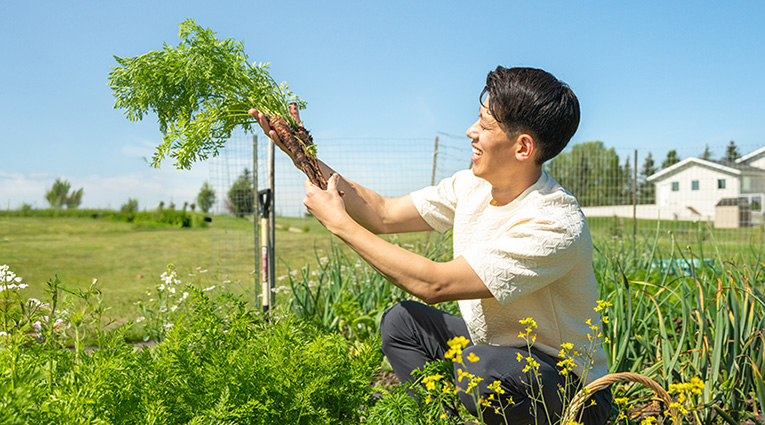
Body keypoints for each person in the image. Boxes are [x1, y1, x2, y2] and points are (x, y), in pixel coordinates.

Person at [248, 66, 612, 425]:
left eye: (485, 125)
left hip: (569, 391)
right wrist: (302, 156)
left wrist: (340, 224)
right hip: (498, 355)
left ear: (523, 147)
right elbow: (383, 213)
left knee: (480, 369)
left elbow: (436, 285)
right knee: (403, 322)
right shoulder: (472, 186)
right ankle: (433, 417)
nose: (471, 131)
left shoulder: (554, 222)